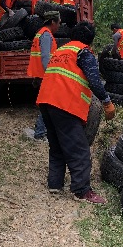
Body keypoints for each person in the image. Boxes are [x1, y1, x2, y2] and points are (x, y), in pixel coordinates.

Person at [36, 21, 116, 204]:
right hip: (65, 104)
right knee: (79, 149)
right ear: (90, 41)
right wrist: (107, 102)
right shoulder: (83, 53)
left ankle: (54, 184)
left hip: (45, 102)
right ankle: (82, 191)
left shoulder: (61, 51)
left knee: (56, 146)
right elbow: (95, 81)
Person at [25, 11, 60, 141]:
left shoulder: (41, 33)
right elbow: (45, 57)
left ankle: (42, 131)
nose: (59, 26)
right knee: (47, 104)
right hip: (45, 75)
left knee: (46, 104)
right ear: (52, 22)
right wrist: (50, 74)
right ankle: (40, 133)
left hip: (40, 74)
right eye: (59, 23)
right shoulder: (46, 35)